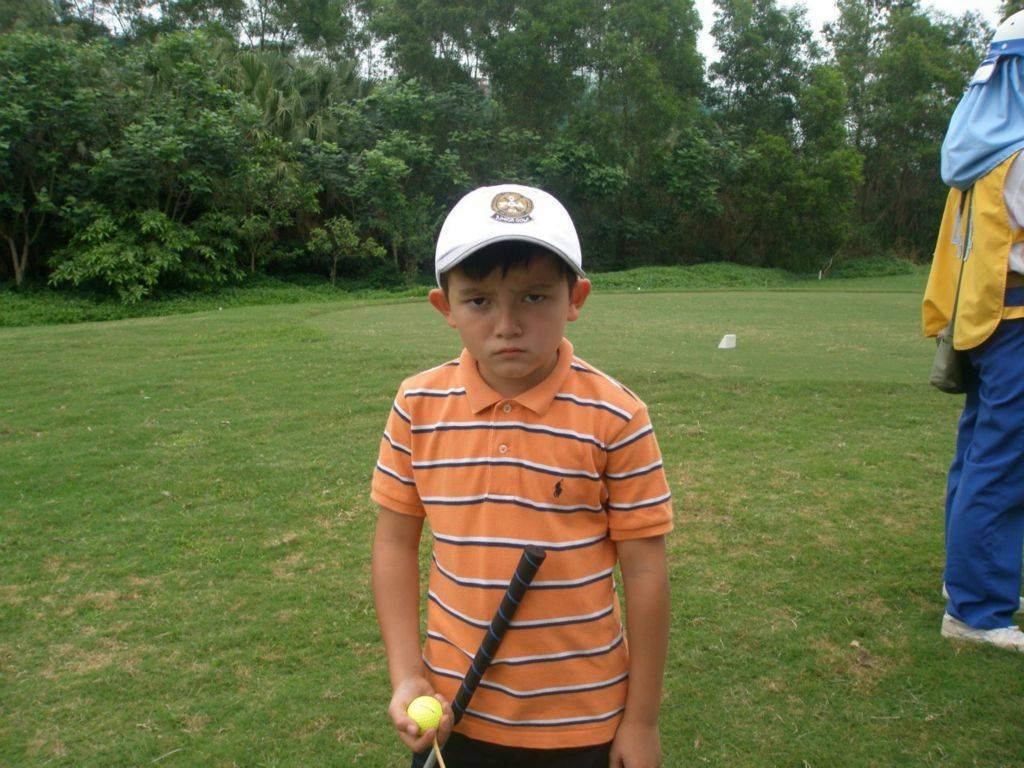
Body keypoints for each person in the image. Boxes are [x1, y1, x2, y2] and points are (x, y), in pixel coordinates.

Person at [371, 183, 673, 767]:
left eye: (534, 297)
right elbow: (394, 542)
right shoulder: (417, 405)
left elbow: (645, 570)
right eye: (479, 301)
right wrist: (407, 674)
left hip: (583, 723)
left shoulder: (617, 416)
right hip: (454, 711)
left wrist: (641, 720)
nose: (507, 324)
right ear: (445, 307)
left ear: (575, 297)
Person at [923, 10, 1024, 650]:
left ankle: (968, 580)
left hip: (985, 320)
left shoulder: (980, 151)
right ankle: (977, 608)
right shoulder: (1018, 154)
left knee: (980, 454)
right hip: (1016, 319)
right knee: (1002, 464)